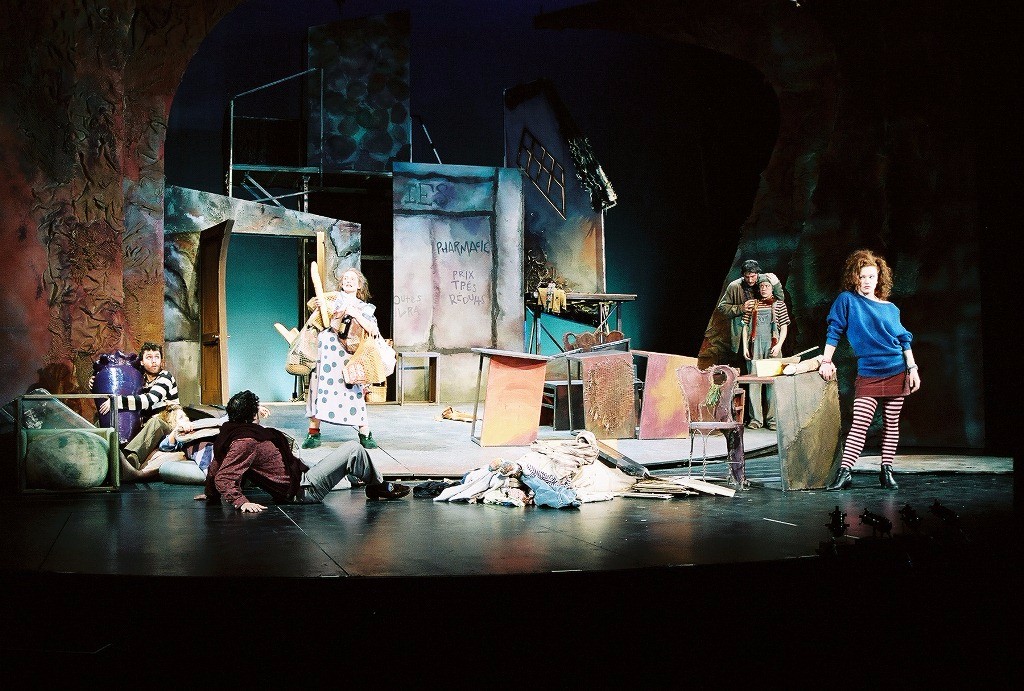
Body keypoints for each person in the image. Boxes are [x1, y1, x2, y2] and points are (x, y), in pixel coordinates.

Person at [197, 390, 408, 511]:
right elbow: (224, 476)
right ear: (252, 416)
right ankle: (378, 486)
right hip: (303, 490)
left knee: (342, 473)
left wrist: (210, 494)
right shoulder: (246, 441)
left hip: (298, 476)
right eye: (256, 410)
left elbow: (217, 464)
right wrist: (241, 502)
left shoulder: (230, 432)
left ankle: (362, 480)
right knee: (353, 449)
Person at [818, 249, 921, 491]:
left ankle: (886, 471)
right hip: (869, 372)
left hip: (897, 369)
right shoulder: (847, 300)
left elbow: (904, 340)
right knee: (860, 423)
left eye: (871, 277)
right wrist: (826, 361)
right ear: (854, 278)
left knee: (891, 423)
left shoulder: (890, 308)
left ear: (879, 279)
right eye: (862, 277)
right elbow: (834, 331)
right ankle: (845, 472)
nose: (866, 281)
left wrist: (913, 368)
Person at [302, 267, 380, 450]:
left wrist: (355, 313)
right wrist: (318, 306)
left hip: (348, 356)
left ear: (359, 285)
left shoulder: (364, 307)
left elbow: (373, 330)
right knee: (319, 389)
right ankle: (313, 432)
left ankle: (365, 432)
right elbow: (316, 321)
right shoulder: (331, 300)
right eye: (345, 278)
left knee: (353, 390)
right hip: (326, 355)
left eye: (353, 279)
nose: (348, 281)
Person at [92, 342, 181, 482]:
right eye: (149, 357)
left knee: (156, 422)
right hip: (146, 430)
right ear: (142, 362)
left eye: (157, 357)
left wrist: (116, 401)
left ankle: (130, 459)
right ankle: (100, 455)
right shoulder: (141, 379)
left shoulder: (165, 377)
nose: (154, 361)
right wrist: (94, 381)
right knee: (102, 419)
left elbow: (149, 400)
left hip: (167, 427)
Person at [699, 259, 784, 369]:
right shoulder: (734, 286)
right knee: (748, 364)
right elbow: (722, 307)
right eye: (747, 277)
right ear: (743, 275)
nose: (750, 280)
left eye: (753, 276)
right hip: (743, 331)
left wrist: (776, 284)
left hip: (766, 331)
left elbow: (780, 300)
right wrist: (741, 308)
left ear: (757, 273)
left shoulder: (764, 281)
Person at [741, 274, 790, 430]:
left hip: (772, 346)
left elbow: (784, 327)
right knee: (754, 383)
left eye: (767, 286)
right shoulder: (753, 304)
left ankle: (772, 419)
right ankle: (755, 419)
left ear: (772, 288)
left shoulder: (779, 305)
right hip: (755, 346)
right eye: (761, 286)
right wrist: (745, 347)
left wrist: (779, 345)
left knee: (772, 384)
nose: (764, 289)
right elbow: (745, 327)